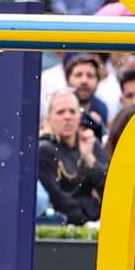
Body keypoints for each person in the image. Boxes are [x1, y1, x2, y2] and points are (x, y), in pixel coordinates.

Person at [37, 89, 105, 225]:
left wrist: (89, 158)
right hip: (64, 223)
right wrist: (85, 219)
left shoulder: (90, 143)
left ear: (79, 117)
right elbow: (57, 197)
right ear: (49, 117)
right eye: (60, 112)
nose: (67, 117)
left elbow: (111, 188)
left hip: (99, 222)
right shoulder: (44, 149)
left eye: (72, 111)